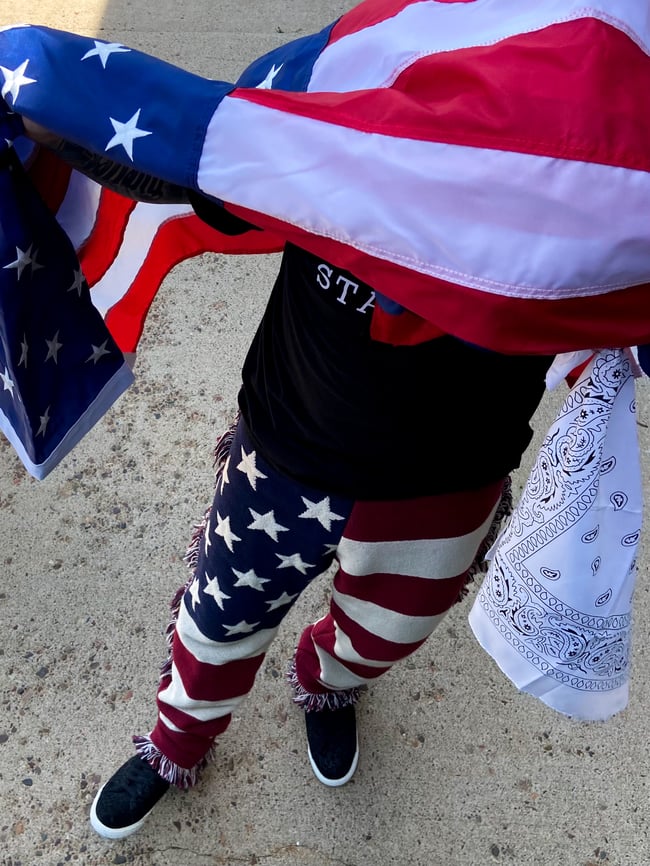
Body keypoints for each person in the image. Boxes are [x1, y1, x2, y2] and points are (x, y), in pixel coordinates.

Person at [12, 0, 650, 842]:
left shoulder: (606, 191)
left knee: (385, 633)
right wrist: (46, 110)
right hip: (287, 453)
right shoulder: (358, 83)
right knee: (219, 618)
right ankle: (176, 741)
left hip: (447, 483)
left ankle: (329, 683)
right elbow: (202, 164)